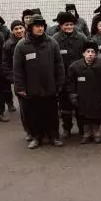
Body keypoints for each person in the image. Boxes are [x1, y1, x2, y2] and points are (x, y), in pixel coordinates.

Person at [13, 14, 65, 149]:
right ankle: (37, 137)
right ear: (30, 27)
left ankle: (54, 136)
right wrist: (20, 87)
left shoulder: (52, 43)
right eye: (37, 26)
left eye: (42, 26)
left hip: (50, 86)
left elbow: (59, 64)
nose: (40, 28)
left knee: (51, 113)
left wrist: (60, 82)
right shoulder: (22, 45)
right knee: (34, 114)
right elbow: (17, 69)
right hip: (31, 87)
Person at [67, 40, 101, 144]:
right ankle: (86, 132)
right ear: (83, 53)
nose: (90, 54)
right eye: (88, 52)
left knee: (97, 113)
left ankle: (96, 131)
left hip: (97, 97)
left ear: (96, 54)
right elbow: (71, 83)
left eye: (93, 52)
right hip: (82, 97)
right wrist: (73, 96)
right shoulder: (74, 67)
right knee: (83, 114)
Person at [51, 11, 87, 137]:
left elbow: (88, 54)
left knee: (80, 104)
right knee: (65, 105)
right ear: (61, 25)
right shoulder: (55, 40)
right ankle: (67, 128)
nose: (69, 27)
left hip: (80, 78)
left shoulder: (81, 38)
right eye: (66, 25)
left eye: (71, 24)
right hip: (64, 78)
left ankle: (82, 128)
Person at [2, 20, 30, 139]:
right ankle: (29, 132)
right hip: (20, 81)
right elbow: (6, 64)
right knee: (24, 109)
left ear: (25, 28)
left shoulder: (31, 41)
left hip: (33, 80)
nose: (19, 31)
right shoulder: (8, 45)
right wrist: (13, 79)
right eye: (16, 29)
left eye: (21, 28)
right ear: (12, 31)